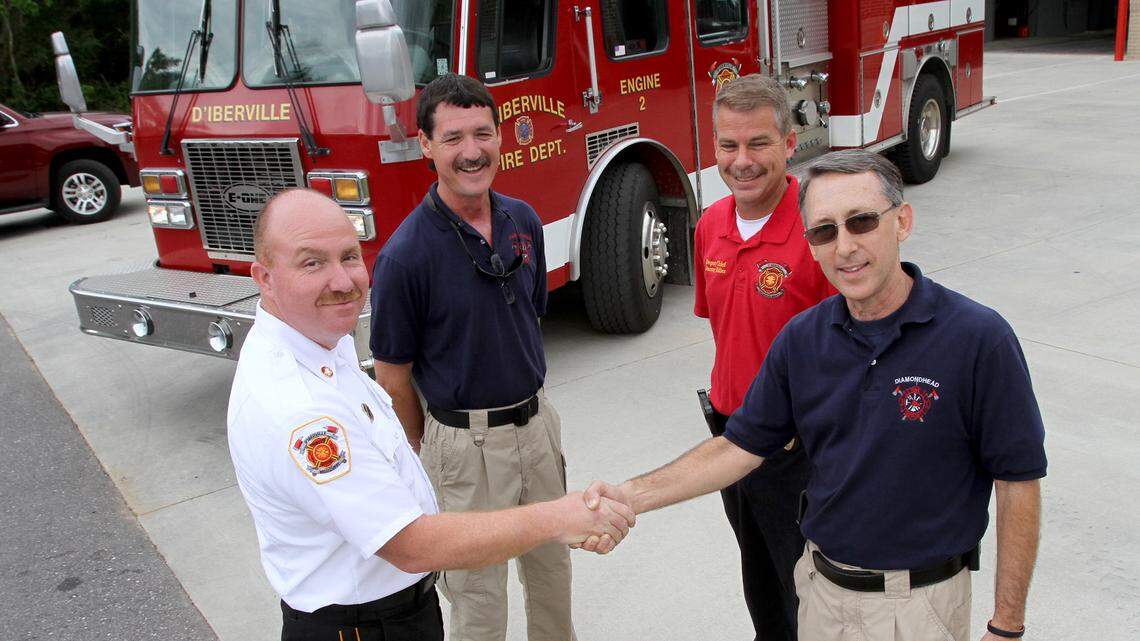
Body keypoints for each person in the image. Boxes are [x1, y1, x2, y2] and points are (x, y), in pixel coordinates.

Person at [584, 150, 1046, 641]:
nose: (844, 247)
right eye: (824, 231)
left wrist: (1007, 626)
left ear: (902, 221)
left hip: (917, 609)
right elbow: (737, 449)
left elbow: (1018, 483)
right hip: (820, 594)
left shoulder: (978, 338)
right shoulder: (802, 339)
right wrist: (627, 496)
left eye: (862, 222)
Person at [227, 189, 634, 641]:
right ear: (264, 278)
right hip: (363, 626)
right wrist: (562, 517)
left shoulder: (320, 336)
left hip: (394, 612)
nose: (342, 281)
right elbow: (413, 545)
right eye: (311, 263)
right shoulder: (301, 413)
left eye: (348, 256)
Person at [368, 74, 573, 641]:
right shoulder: (405, 257)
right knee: (478, 599)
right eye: (453, 137)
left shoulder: (522, 221)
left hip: (536, 430)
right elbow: (392, 378)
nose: (472, 151)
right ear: (426, 145)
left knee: (553, 573)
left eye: (483, 133)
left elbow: (529, 313)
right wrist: (435, 444)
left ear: (501, 139)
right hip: (465, 447)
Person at [693, 74, 835, 641]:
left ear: (790, 142)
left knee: (811, 588)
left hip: (800, 448)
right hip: (732, 437)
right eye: (728, 145)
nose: (742, 161)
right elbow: (728, 333)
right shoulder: (709, 227)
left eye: (758, 143)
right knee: (760, 581)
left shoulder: (821, 227)